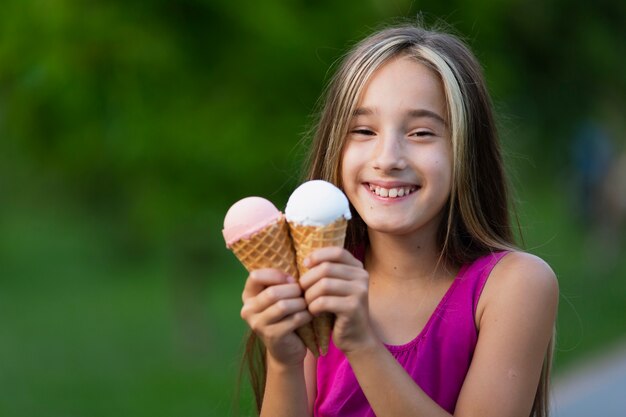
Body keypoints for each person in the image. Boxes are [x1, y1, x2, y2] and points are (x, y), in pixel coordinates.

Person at [238, 21, 559, 417]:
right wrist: (284, 360)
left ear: (466, 152)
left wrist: (361, 344)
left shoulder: (513, 285)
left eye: (422, 133)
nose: (388, 158)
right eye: (363, 130)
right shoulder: (316, 280)